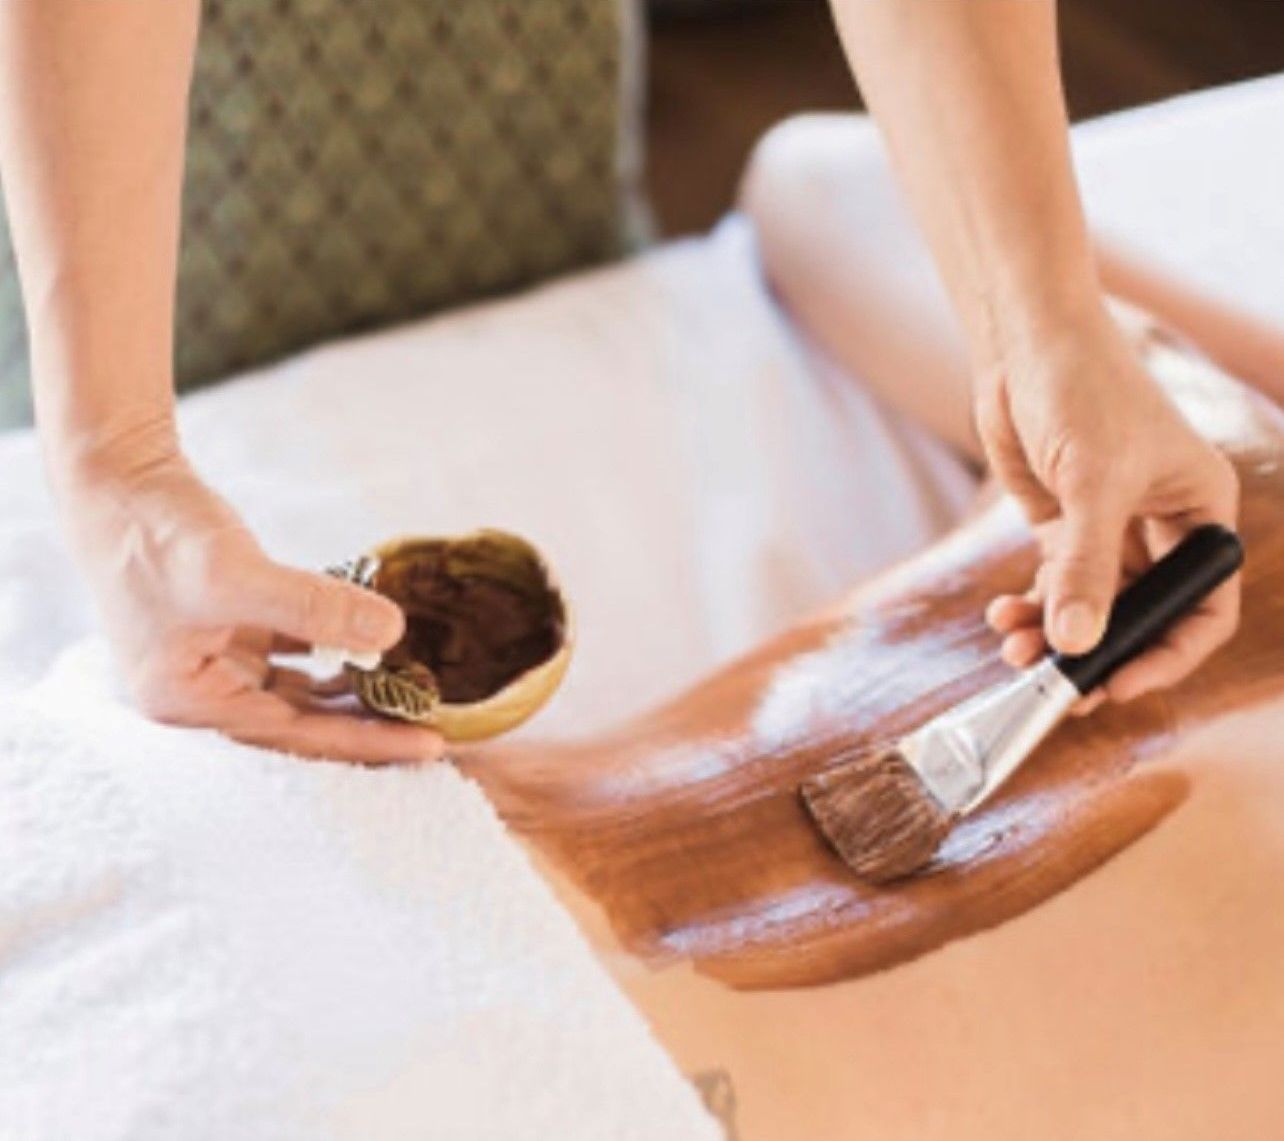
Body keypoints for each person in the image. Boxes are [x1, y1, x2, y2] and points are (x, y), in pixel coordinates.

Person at [0, 0, 1239, 760]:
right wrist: (120, 458)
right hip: (135, 162)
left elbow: (820, 184)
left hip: (507, 115)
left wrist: (1046, 334)